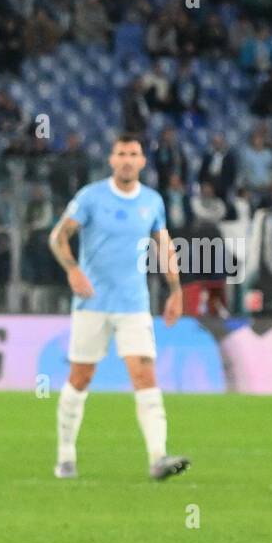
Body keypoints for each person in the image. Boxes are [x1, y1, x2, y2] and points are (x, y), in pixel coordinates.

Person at [47, 132, 190, 481]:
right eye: (121, 153)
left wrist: (176, 290)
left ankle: (158, 458)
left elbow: (164, 246)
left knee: (144, 375)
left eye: (134, 154)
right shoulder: (91, 198)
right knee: (81, 378)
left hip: (133, 305)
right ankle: (65, 456)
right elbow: (58, 236)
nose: (127, 160)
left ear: (142, 161)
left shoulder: (152, 202)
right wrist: (73, 270)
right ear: (112, 160)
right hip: (92, 303)